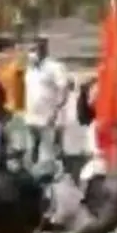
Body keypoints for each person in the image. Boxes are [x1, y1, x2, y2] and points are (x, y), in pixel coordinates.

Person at [23, 37, 71, 169]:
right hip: (32, 118)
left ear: (43, 49)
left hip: (50, 118)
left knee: (52, 154)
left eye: (34, 50)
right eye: (29, 50)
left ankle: (60, 178)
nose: (31, 53)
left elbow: (64, 90)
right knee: (33, 151)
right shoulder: (30, 69)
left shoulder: (55, 67)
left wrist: (55, 112)